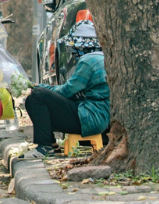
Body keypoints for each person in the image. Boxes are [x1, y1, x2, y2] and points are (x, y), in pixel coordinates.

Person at [22, 20, 110, 159]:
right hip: (101, 119)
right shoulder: (103, 57)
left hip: (89, 118)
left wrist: (42, 87)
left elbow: (68, 91)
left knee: (38, 96)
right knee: (32, 100)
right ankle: (51, 145)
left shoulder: (88, 61)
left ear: (80, 46)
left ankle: (45, 147)